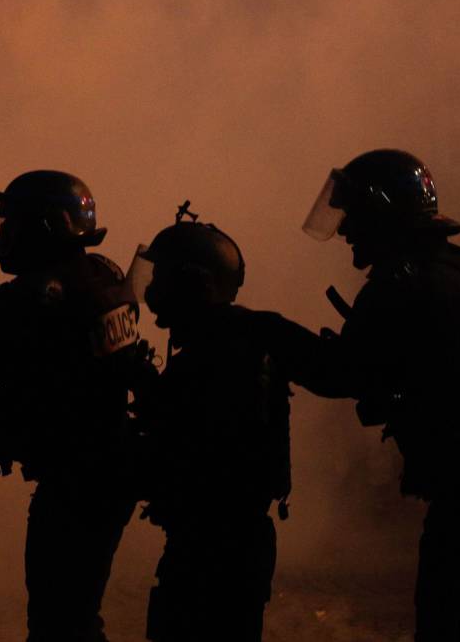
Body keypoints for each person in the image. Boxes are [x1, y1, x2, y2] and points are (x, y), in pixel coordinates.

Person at [258, 149, 460, 640]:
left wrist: (270, 333)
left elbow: (339, 375)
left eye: (353, 215)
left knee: (449, 619)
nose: (345, 230)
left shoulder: (401, 284)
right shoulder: (458, 266)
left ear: (382, 213)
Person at [0, 170, 140, 642]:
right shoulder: (106, 274)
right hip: (112, 466)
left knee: (57, 619)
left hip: (72, 479)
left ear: (44, 228)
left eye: (15, 225)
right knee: (79, 612)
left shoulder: (33, 295)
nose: (6, 237)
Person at [131, 208, 291, 642]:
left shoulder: (218, 354)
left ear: (194, 284)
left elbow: (193, 445)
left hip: (213, 546)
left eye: (162, 279)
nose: (152, 290)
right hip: (226, 541)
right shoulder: (236, 341)